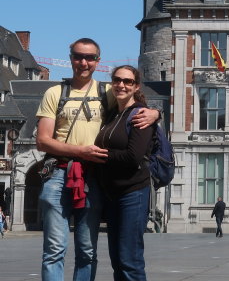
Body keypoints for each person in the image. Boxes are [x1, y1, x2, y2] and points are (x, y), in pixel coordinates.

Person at [36, 38, 159, 281]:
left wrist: (156, 112)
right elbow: (43, 141)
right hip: (59, 173)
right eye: (78, 56)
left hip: (93, 177)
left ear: (97, 61)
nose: (84, 62)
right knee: (53, 250)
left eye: (90, 57)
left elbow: (133, 104)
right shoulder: (55, 92)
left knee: (87, 251)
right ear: (71, 58)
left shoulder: (107, 92)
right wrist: (80, 152)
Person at [95, 65, 153, 280]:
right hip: (113, 195)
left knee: (130, 260)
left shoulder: (140, 115)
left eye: (128, 81)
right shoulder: (111, 114)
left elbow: (133, 157)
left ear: (136, 86)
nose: (121, 85)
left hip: (133, 192)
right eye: (117, 80)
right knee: (117, 260)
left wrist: (100, 155)